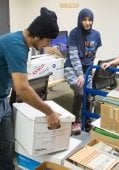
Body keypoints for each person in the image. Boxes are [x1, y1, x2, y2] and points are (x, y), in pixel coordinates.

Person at [0, 7, 61, 170]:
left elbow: (15, 81)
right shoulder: (16, 46)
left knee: (6, 144)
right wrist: (49, 111)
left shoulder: (21, 42)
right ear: (39, 36)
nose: (47, 45)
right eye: (47, 41)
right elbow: (21, 89)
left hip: (3, 99)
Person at [64, 8, 102, 135]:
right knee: (80, 93)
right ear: (80, 20)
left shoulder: (96, 34)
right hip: (72, 68)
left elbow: (92, 55)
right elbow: (74, 56)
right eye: (84, 19)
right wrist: (80, 74)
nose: (87, 22)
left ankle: (86, 121)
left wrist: (87, 73)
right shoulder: (74, 33)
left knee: (88, 94)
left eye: (90, 20)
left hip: (86, 70)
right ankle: (75, 121)